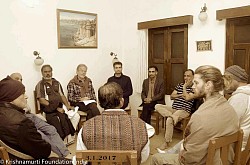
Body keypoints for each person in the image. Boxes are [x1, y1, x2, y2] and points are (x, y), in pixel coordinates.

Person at [151, 65, 239, 165]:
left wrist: (181, 151)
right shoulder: (230, 108)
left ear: (208, 85)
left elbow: (188, 159)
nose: (193, 87)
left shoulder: (199, 116)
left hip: (205, 162)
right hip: (224, 160)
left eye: (196, 83)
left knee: (155, 158)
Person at [77, 82, 149, 164]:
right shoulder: (140, 125)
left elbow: (82, 160)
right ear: (122, 101)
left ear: (100, 104)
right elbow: (143, 158)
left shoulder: (86, 127)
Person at [10, 72, 70, 158]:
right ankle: (58, 156)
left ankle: (65, 154)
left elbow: (27, 108)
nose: (19, 81)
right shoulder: (8, 94)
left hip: (30, 115)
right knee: (41, 135)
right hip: (22, 118)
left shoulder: (22, 90)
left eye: (21, 79)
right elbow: (41, 100)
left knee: (51, 129)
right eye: (17, 79)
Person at [0, 76, 51, 159]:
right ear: (11, 97)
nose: (26, 96)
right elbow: (44, 152)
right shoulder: (21, 122)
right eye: (22, 93)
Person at [155, 69, 195, 149]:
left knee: (169, 120)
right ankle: (173, 116)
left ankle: (166, 142)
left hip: (184, 110)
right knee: (157, 106)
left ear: (193, 77)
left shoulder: (194, 88)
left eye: (188, 76)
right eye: (185, 76)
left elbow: (187, 98)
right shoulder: (179, 85)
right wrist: (180, 95)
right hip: (174, 109)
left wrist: (184, 87)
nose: (186, 78)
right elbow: (172, 96)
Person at [35, 64, 76, 141]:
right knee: (55, 120)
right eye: (45, 72)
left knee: (64, 117)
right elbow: (41, 100)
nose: (47, 73)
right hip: (48, 109)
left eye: (49, 71)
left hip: (59, 107)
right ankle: (60, 139)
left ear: (52, 72)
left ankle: (68, 138)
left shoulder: (56, 82)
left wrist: (67, 106)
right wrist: (56, 108)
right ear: (42, 73)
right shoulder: (40, 84)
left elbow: (62, 96)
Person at [224, 65, 250, 150]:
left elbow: (228, 125)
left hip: (238, 146)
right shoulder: (247, 94)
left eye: (228, 78)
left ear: (234, 78)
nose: (226, 82)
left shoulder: (239, 98)